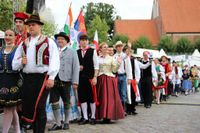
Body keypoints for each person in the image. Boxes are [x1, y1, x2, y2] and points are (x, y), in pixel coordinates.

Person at [12, 13, 60, 133]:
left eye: (33, 25)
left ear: (39, 26)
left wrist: (52, 77)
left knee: (40, 107)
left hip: (42, 78)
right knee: (28, 106)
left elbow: (55, 60)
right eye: (29, 25)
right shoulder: (23, 44)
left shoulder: (49, 42)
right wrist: (20, 62)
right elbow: (14, 64)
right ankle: (31, 128)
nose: (31, 27)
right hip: (27, 79)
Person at [48, 32, 80, 131]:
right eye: (58, 39)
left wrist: (75, 81)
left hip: (66, 80)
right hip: (54, 80)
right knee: (54, 102)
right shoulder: (52, 51)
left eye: (62, 39)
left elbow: (76, 67)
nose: (60, 41)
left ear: (66, 41)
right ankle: (58, 123)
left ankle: (66, 122)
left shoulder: (72, 52)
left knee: (67, 102)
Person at [96, 42, 124, 123]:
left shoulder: (111, 58)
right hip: (100, 78)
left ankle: (108, 116)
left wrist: (118, 63)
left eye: (107, 47)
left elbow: (114, 70)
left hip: (109, 79)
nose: (106, 49)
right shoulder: (97, 58)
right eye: (104, 47)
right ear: (100, 49)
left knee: (109, 98)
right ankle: (101, 115)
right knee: (101, 97)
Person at [0, 29, 21, 133]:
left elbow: (21, 65)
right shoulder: (0, 49)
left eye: (10, 35)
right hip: (2, 81)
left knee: (8, 108)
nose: (7, 37)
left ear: (15, 37)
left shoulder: (18, 49)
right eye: (6, 35)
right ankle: (17, 129)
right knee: (11, 108)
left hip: (13, 81)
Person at [77, 34, 99, 125]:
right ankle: (85, 117)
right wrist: (78, 67)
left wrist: (95, 77)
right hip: (80, 78)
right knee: (82, 98)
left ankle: (93, 117)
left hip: (90, 78)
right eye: (82, 40)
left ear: (87, 41)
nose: (84, 41)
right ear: (79, 42)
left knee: (91, 98)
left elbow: (96, 66)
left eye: (85, 40)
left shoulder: (92, 51)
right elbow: (74, 66)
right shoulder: (76, 52)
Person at [113, 41, 132, 115]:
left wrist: (129, 77)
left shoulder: (125, 56)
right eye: (118, 46)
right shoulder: (114, 56)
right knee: (117, 93)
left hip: (123, 76)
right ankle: (118, 109)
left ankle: (123, 110)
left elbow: (129, 67)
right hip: (116, 76)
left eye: (121, 46)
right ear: (116, 48)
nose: (119, 47)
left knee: (123, 93)